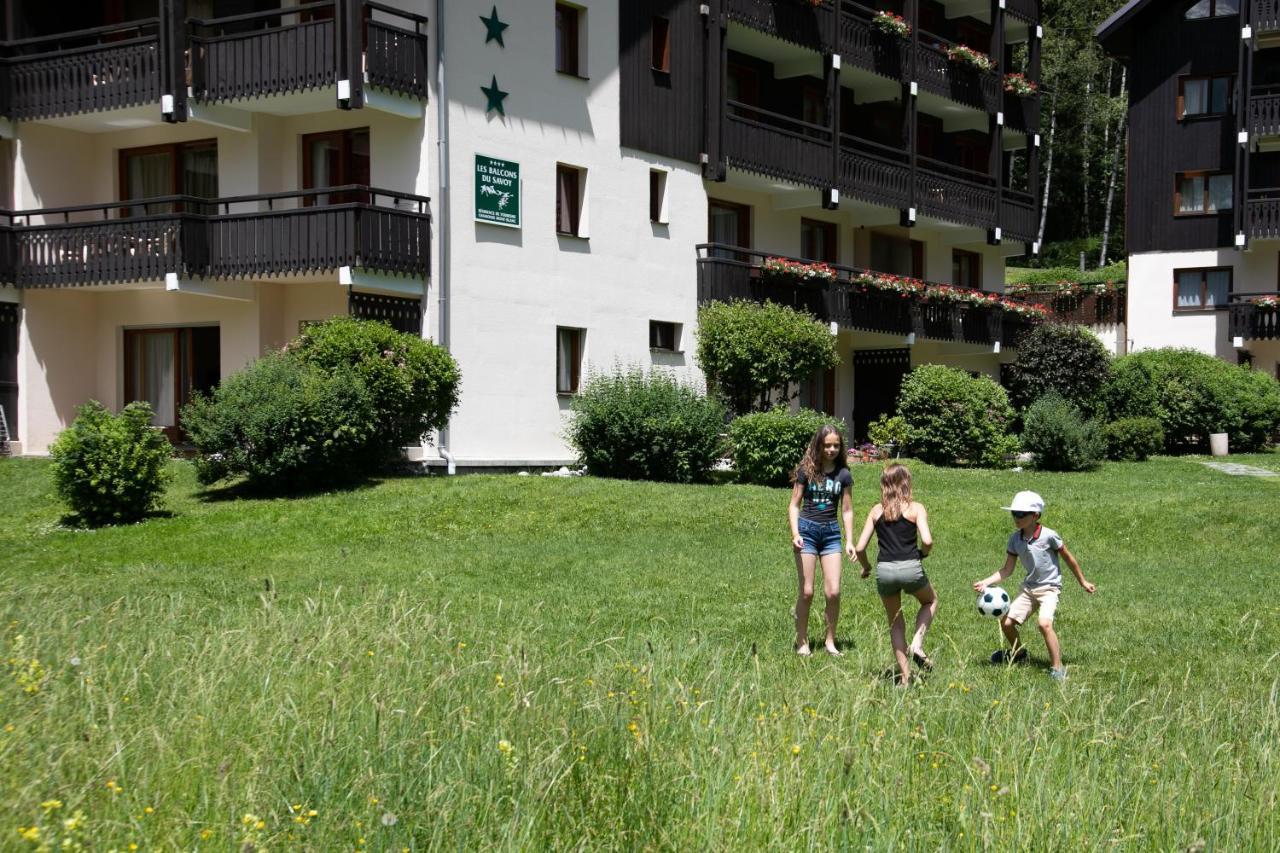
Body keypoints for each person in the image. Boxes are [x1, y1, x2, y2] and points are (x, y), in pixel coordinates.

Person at [973, 490, 1096, 681]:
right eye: (1014, 513)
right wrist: (986, 582)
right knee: (1006, 623)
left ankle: (1057, 668)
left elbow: (1069, 558)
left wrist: (1083, 581)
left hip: (1049, 589)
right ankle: (1019, 654)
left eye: (1021, 514)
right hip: (1029, 589)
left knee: (1044, 624)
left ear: (1035, 515)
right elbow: (1007, 570)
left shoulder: (1049, 536)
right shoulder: (1015, 539)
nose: (1016, 517)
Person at [853, 464, 937, 686]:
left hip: (885, 571)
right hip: (911, 566)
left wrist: (867, 567)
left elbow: (860, 548)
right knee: (930, 601)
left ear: (884, 484)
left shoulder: (876, 511)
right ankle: (917, 644)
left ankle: (904, 679)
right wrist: (922, 554)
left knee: (896, 623)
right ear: (906, 483)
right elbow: (927, 541)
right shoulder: (915, 508)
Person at [788, 424, 855, 656]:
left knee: (833, 592)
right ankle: (802, 641)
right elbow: (794, 505)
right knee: (807, 592)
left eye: (836, 445)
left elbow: (846, 510)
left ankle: (829, 641)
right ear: (819, 445)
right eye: (827, 445)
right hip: (806, 532)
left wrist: (849, 540)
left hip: (831, 534)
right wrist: (796, 534)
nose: (832, 449)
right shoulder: (806, 471)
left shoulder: (844, 474)